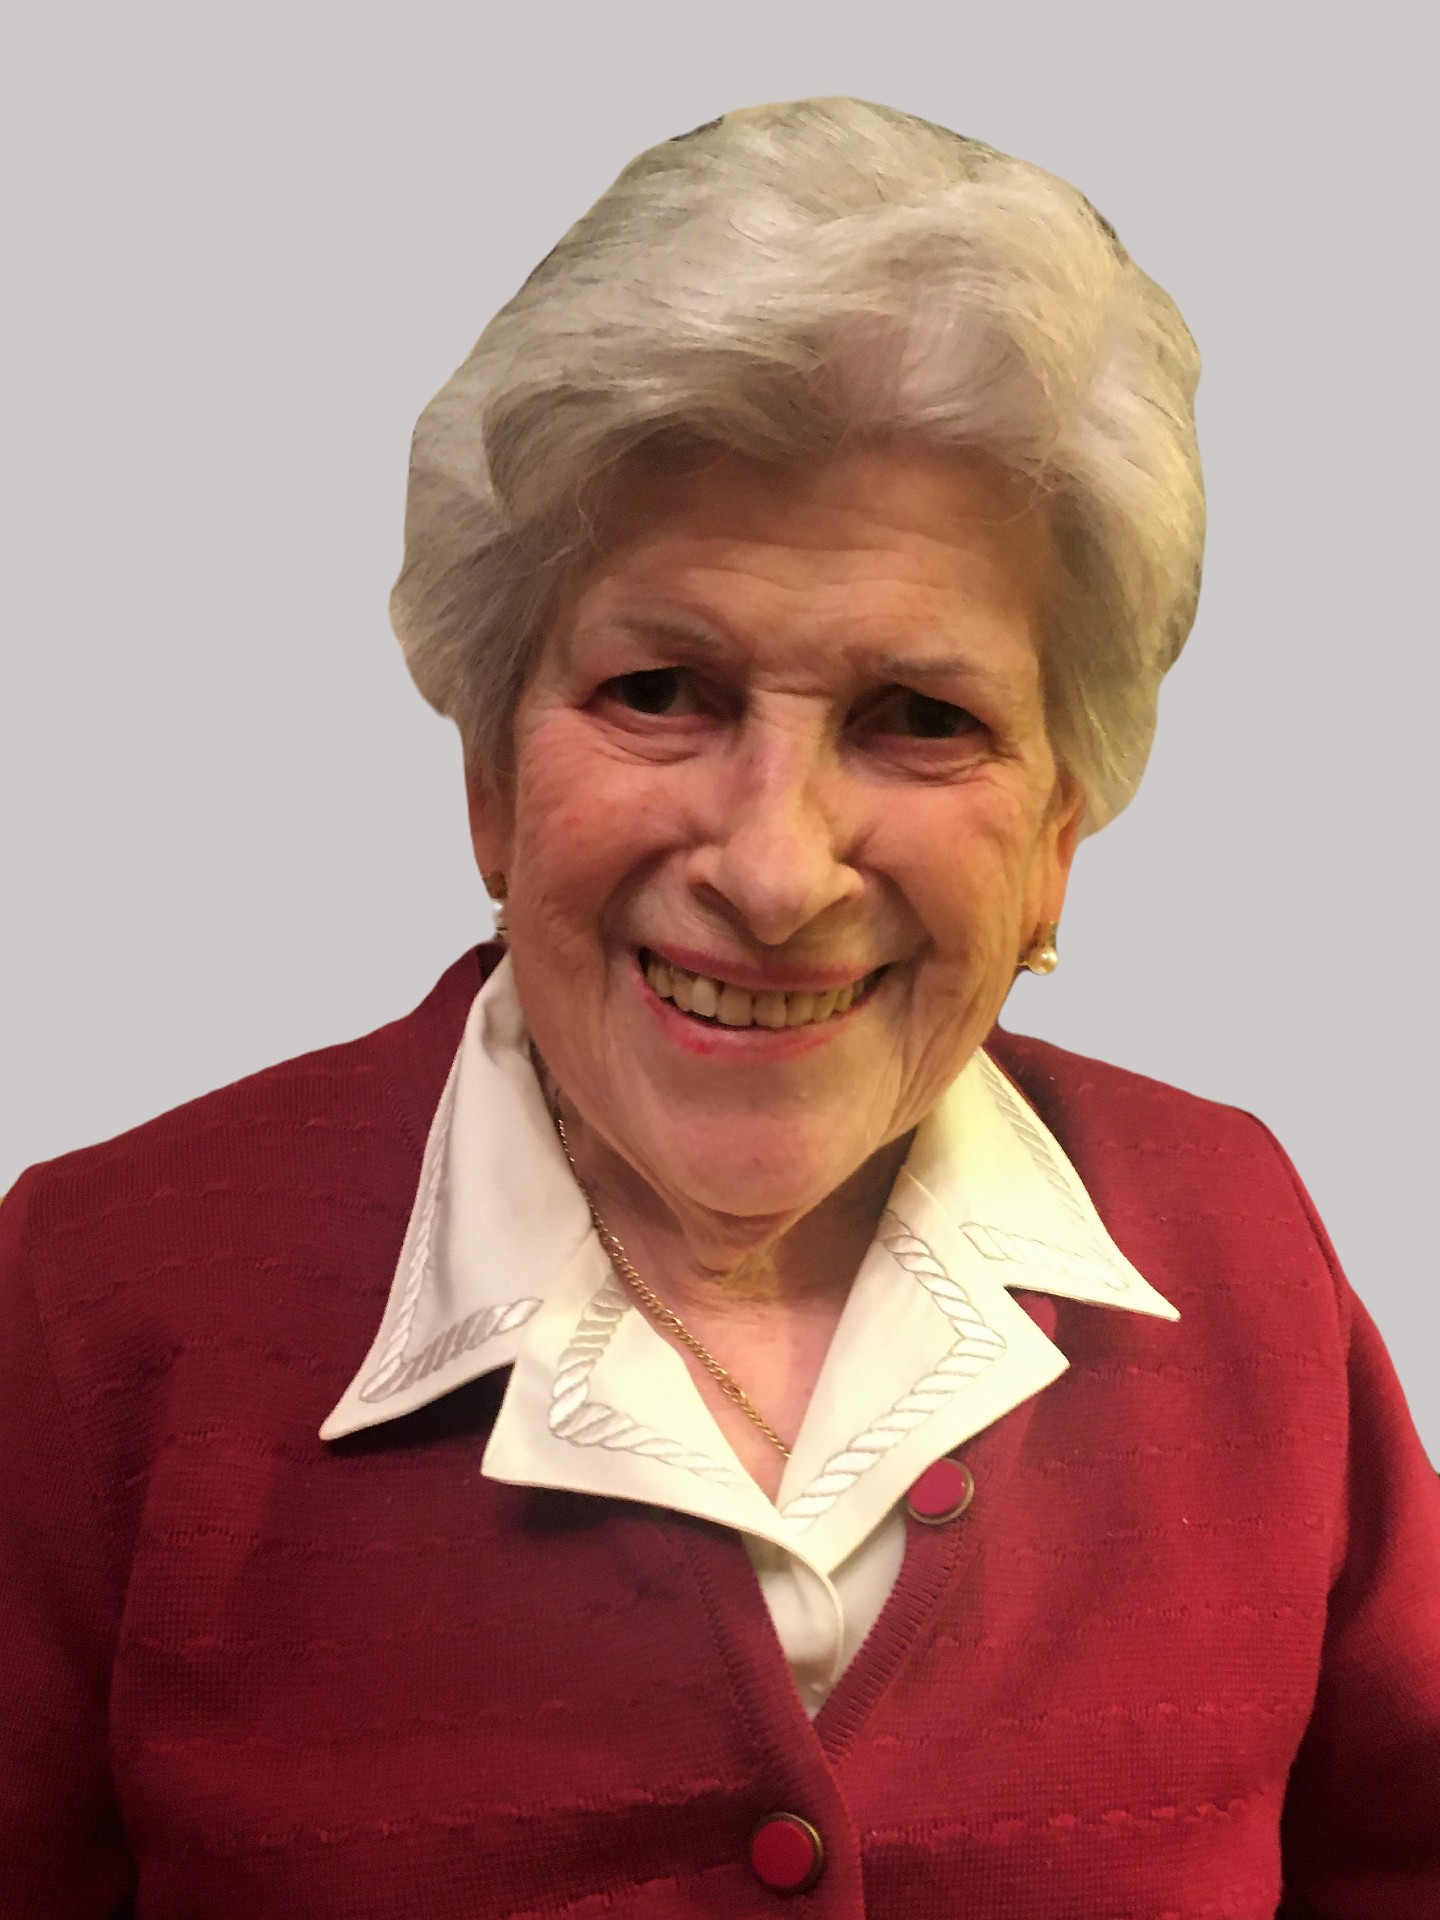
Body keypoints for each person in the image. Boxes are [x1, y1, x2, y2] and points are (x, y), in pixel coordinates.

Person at [2, 96, 1436, 1919]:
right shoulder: (95, 1297)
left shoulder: (1238, 1245)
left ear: (1060, 834)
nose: (774, 869)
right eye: (662, 690)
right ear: (491, 779)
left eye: (922, 719)